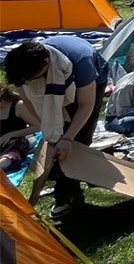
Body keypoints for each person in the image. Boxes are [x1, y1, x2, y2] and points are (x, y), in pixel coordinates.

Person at [4, 37, 108, 218]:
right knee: (55, 139)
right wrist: (49, 128)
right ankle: (62, 178)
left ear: (46, 64)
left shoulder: (81, 63)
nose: (27, 83)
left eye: (30, 79)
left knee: (78, 139)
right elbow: (28, 100)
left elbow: (85, 105)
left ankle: (66, 195)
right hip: (57, 83)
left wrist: (67, 138)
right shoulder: (21, 66)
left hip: (90, 83)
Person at [0, 86, 40, 172]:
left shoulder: (18, 105)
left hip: (15, 144)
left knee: (5, 161)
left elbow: (37, 126)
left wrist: (10, 134)